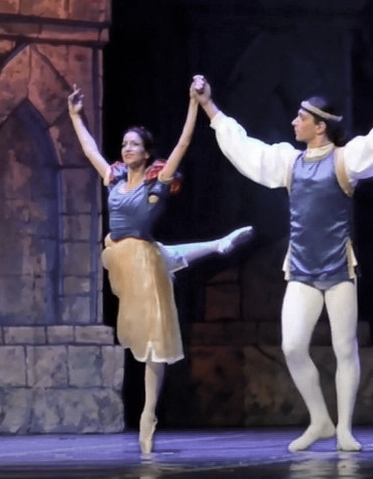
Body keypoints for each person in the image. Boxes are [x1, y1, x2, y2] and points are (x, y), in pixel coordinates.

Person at [192, 46, 373, 452]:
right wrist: (209, 107)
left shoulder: (346, 160)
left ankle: (344, 428)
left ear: (319, 126)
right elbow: (248, 150)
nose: (294, 122)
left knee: (344, 348)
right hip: (302, 270)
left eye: (300, 118)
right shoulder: (290, 163)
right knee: (292, 346)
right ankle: (320, 419)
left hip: (338, 269)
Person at [67, 82, 254, 454]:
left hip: (143, 260)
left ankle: (148, 414)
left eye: (134, 144)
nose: (126, 148)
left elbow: (183, 144)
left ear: (147, 152)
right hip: (121, 259)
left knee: (155, 340)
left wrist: (193, 105)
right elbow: (90, 150)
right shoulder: (114, 177)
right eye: (124, 144)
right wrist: (76, 116)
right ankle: (218, 245)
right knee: (164, 260)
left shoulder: (159, 179)